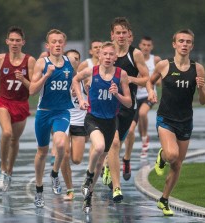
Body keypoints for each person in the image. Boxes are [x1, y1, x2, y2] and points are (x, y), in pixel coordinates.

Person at [146, 29, 205, 216]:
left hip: (185, 121)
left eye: (188, 42)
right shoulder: (165, 65)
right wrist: (151, 92)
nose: (184, 44)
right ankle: (162, 155)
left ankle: (164, 199)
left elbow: (204, 101)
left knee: (177, 165)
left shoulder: (198, 69)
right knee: (172, 155)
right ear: (174, 44)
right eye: (181, 41)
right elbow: (150, 82)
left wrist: (202, 88)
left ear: (192, 46)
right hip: (166, 118)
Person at [72, 41, 132, 213]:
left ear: (115, 57)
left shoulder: (121, 75)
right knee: (98, 147)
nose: (107, 57)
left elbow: (128, 103)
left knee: (100, 163)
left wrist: (117, 94)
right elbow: (76, 79)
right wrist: (82, 99)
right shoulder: (92, 71)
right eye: (104, 53)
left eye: (110, 54)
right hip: (93, 118)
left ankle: (88, 195)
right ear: (99, 55)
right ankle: (88, 177)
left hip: (111, 122)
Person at [0, 26, 36, 191]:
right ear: (7, 41)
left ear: (23, 42)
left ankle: (9, 172)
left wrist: (24, 79)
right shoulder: (0, 58)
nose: (14, 43)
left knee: (14, 140)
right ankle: (2, 169)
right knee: (7, 133)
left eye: (18, 40)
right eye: (11, 40)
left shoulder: (30, 61)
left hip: (21, 104)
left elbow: (33, 88)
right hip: (4, 102)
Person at [30, 29, 78, 208]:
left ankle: (55, 173)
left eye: (60, 41)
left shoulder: (70, 61)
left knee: (59, 144)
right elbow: (32, 91)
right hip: (44, 112)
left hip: (62, 111)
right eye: (54, 42)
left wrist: (78, 92)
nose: (57, 44)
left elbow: (75, 79)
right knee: (42, 152)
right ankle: (39, 188)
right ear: (48, 45)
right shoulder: (41, 63)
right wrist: (47, 75)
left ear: (64, 44)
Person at [103, 17, 149, 202]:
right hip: (108, 106)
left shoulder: (135, 54)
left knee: (118, 143)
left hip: (128, 106)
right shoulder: (107, 52)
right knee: (114, 144)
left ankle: (108, 165)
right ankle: (117, 187)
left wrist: (131, 79)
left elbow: (146, 78)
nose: (121, 36)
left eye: (124, 33)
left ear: (129, 35)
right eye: (117, 33)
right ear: (112, 34)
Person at [123, 36, 162, 180]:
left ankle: (145, 138)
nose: (146, 47)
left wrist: (155, 83)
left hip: (148, 96)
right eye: (143, 45)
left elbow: (159, 80)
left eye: (148, 45)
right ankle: (141, 139)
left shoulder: (155, 60)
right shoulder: (134, 58)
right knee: (131, 129)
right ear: (140, 45)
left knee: (143, 113)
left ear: (151, 47)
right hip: (134, 97)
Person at [60, 49, 87, 201]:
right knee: (64, 153)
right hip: (63, 119)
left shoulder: (84, 79)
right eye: (69, 59)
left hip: (79, 121)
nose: (73, 61)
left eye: (76, 59)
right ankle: (70, 189)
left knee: (76, 159)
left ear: (79, 62)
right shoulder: (60, 78)